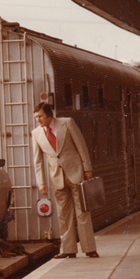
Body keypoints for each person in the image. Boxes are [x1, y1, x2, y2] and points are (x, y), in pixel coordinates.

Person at [31, 102, 98, 258]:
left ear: (49, 115)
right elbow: (38, 160)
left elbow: (81, 146)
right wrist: (41, 182)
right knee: (63, 214)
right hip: (57, 178)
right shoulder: (36, 134)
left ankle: (90, 248)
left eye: (40, 116)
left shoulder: (67, 123)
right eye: (36, 117)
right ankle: (68, 249)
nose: (38, 120)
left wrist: (87, 168)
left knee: (82, 211)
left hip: (76, 173)